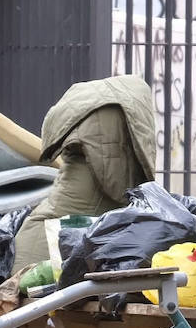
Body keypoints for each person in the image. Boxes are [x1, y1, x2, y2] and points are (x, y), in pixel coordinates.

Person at [11, 74, 157, 271]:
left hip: (31, 257)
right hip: (41, 265)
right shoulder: (107, 156)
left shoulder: (82, 148)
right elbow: (117, 184)